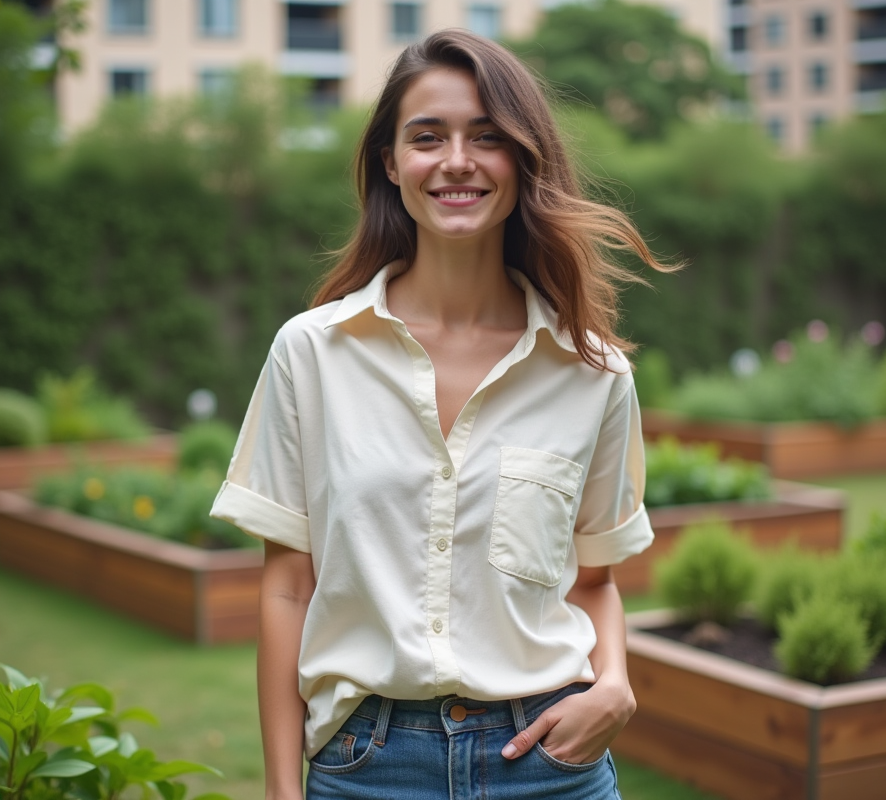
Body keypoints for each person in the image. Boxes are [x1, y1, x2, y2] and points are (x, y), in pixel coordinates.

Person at [210, 27, 670, 800]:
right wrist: (282, 791)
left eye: (487, 137)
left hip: (550, 763)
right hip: (368, 767)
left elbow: (594, 581)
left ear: (522, 162)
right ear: (392, 163)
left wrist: (615, 683)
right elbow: (288, 585)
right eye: (428, 137)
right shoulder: (311, 354)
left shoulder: (593, 374)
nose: (457, 160)